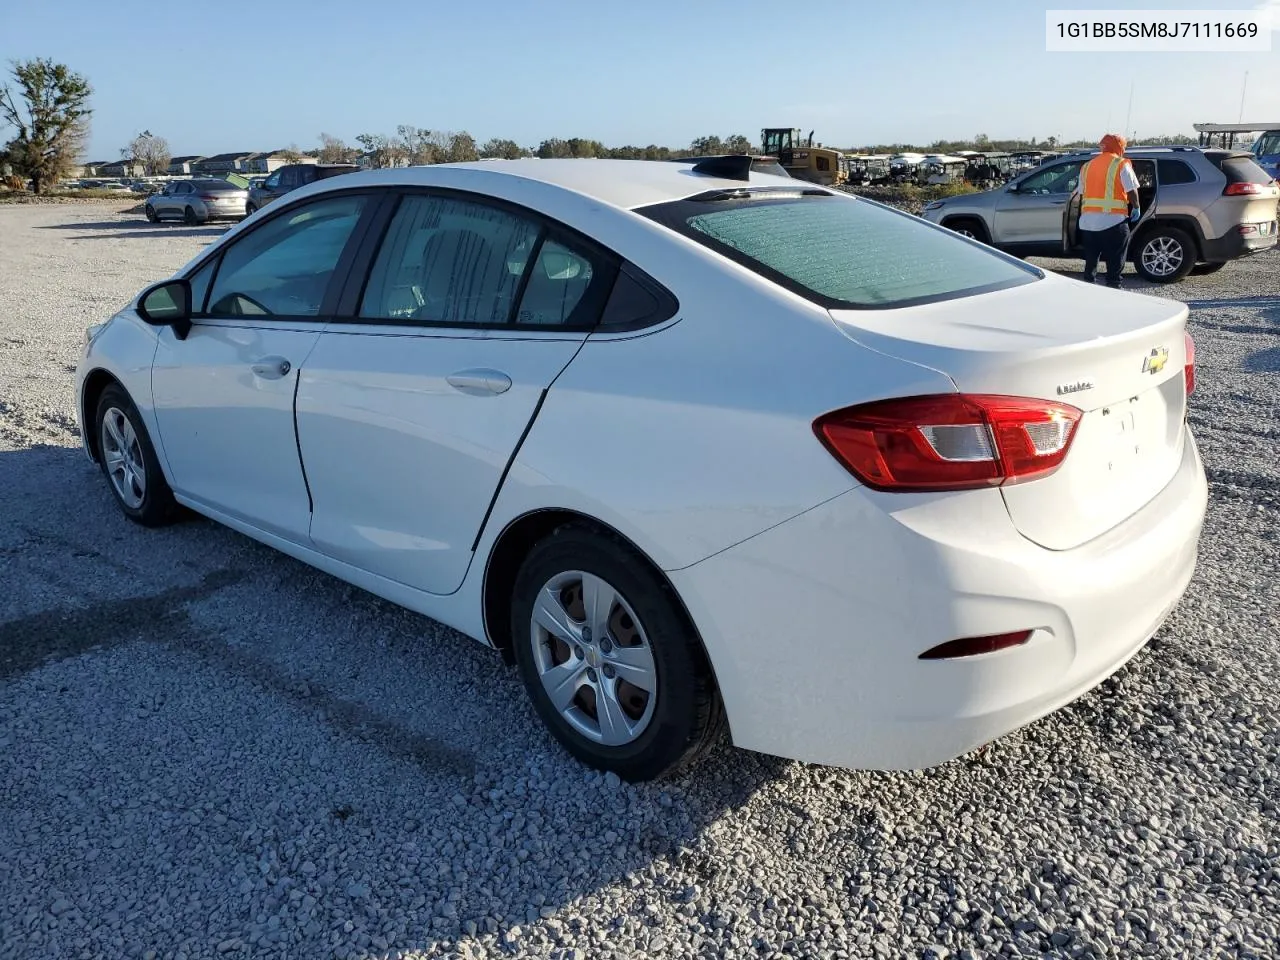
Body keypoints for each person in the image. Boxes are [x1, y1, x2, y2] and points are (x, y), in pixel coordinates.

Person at [1073, 133, 1141, 288]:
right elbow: (1131, 190)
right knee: (1115, 259)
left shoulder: (1087, 166)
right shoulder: (1121, 163)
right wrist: (1136, 207)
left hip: (1088, 223)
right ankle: (1114, 287)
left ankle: (1088, 286)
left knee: (1091, 259)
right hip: (1113, 221)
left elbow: (1081, 193)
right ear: (1119, 147)